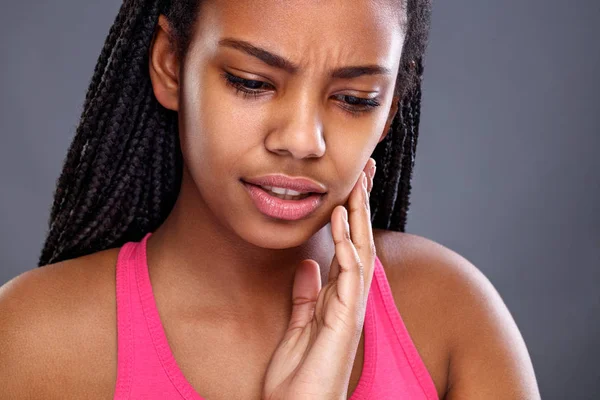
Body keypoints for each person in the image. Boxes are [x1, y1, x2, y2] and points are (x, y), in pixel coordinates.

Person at [0, 0, 541, 398]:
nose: (303, 140)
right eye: (251, 81)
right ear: (170, 63)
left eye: (355, 99)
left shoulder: (453, 320)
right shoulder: (34, 343)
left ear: (391, 110)